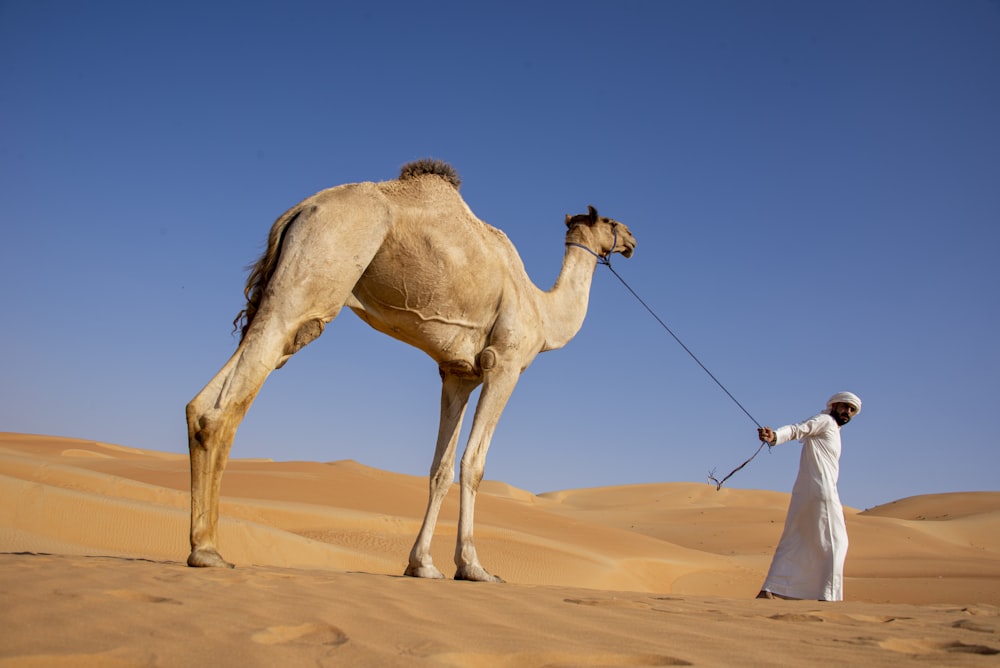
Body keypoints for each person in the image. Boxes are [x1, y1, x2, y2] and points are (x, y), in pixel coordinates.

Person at [755, 391, 862, 601]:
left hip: (807, 493)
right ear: (834, 405)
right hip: (822, 492)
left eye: (852, 409)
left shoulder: (833, 429)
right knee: (836, 542)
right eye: (845, 407)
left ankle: (772, 590)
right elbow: (798, 429)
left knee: (797, 539)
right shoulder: (826, 421)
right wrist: (775, 436)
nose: (848, 412)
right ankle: (828, 596)